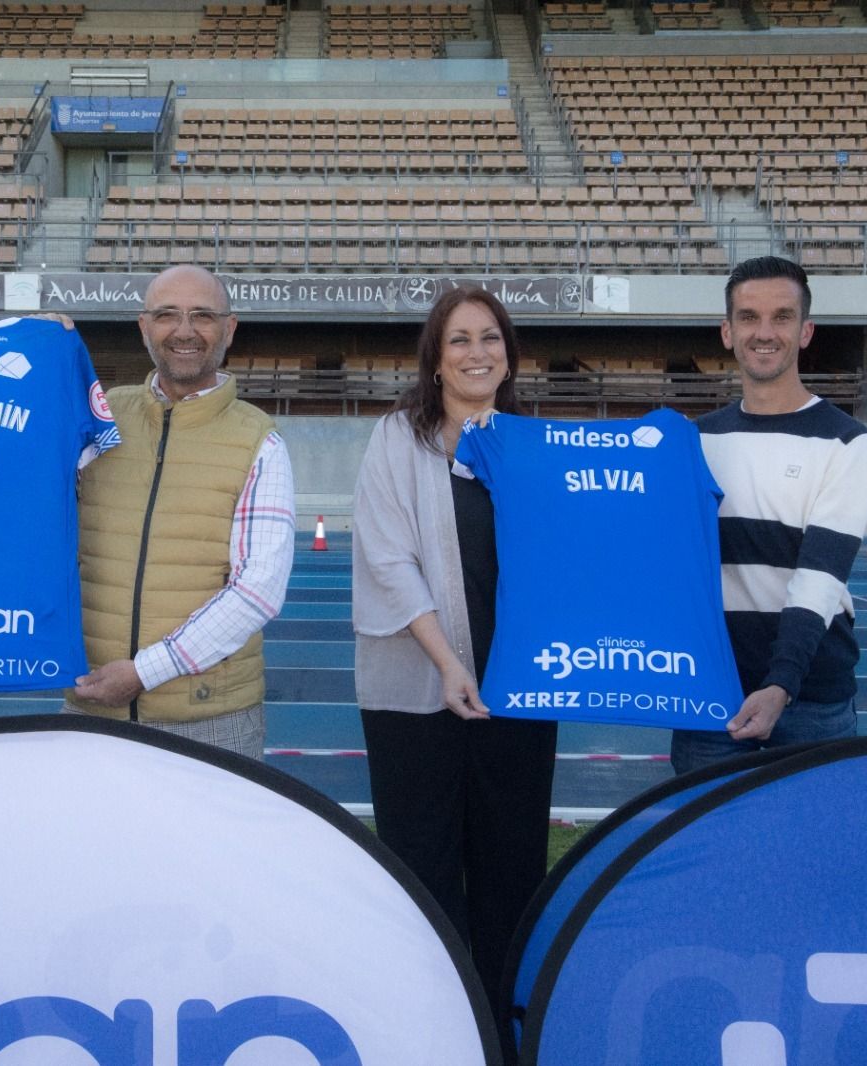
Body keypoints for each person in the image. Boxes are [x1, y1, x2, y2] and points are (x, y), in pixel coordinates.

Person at [351, 286, 556, 1036]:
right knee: (423, 871)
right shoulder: (394, 440)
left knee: (512, 873)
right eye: (461, 340)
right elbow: (387, 560)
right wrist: (446, 662)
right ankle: (430, 1025)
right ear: (435, 359)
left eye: (491, 338)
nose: (478, 353)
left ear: (510, 354)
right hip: (415, 693)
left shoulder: (533, 446)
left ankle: (505, 1027)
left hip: (519, 695)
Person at [63, 264, 295, 760]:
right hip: (89, 711)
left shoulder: (260, 439)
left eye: (202, 316)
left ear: (228, 329)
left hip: (212, 721)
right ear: (143, 326)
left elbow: (258, 590)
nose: (184, 331)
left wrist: (144, 673)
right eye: (167, 315)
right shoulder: (96, 422)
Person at [670, 256, 867, 774]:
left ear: (805, 331)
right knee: (708, 850)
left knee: (810, 853)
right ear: (727, 331)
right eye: (748, 317)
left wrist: (780, 686)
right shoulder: (692, 443)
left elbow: (817, 581)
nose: (764, 333)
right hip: (712, 695)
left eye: (781, 317)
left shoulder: (847, 443)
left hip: (808, 697)